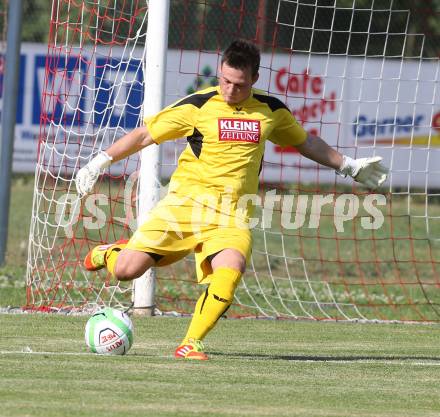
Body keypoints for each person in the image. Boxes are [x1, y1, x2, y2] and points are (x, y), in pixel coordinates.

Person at [75, 39, 388, 360]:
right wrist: (100, 161)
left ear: (253, 79)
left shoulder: (271, 111)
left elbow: (305, 142)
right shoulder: (198, 106)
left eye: (238, 85)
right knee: (127, 270)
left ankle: (190, 342)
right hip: (183, 207)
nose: (229, 90)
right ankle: (110, 253)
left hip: (232, 215)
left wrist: (348, 166)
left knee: (231, 269)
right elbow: (145, 135)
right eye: (224, 81)